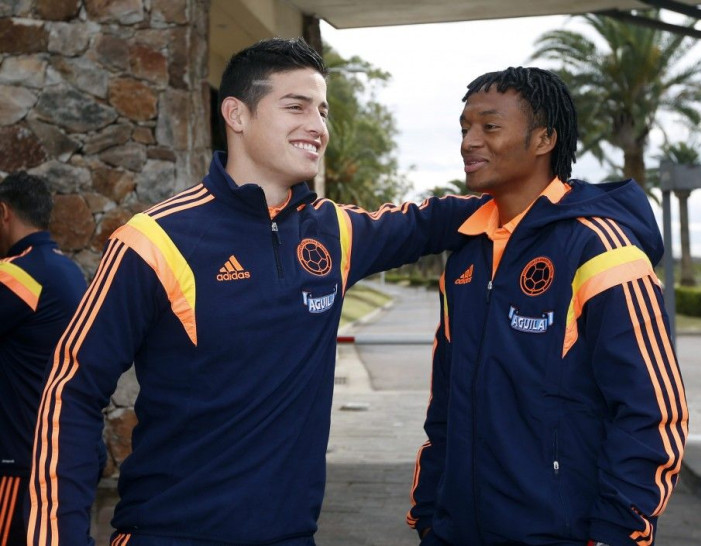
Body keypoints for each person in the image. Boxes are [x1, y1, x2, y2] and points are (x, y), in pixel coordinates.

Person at [27, 38, 484, 545]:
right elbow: (71, 388)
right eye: (296, 106)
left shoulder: (334, 233)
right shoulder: (154, 241)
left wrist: (562, 197)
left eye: (323, 110)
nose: (318, 126)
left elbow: (437, 220)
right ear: (236, 115)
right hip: (171, 535)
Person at [406, 67, 688, 546]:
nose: (469, 142)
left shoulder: (601, 251)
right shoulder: (467, 258)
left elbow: (655, 413)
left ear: (543, 139)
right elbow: (447, 407)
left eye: (489, 127)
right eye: (464, 128)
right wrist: (431, 514)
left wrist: (618, 535)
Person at [0, 171, 88, 545]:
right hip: (60, 452)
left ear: (3, 213)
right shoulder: (68, 271)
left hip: (16, 459)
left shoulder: (17, 274)